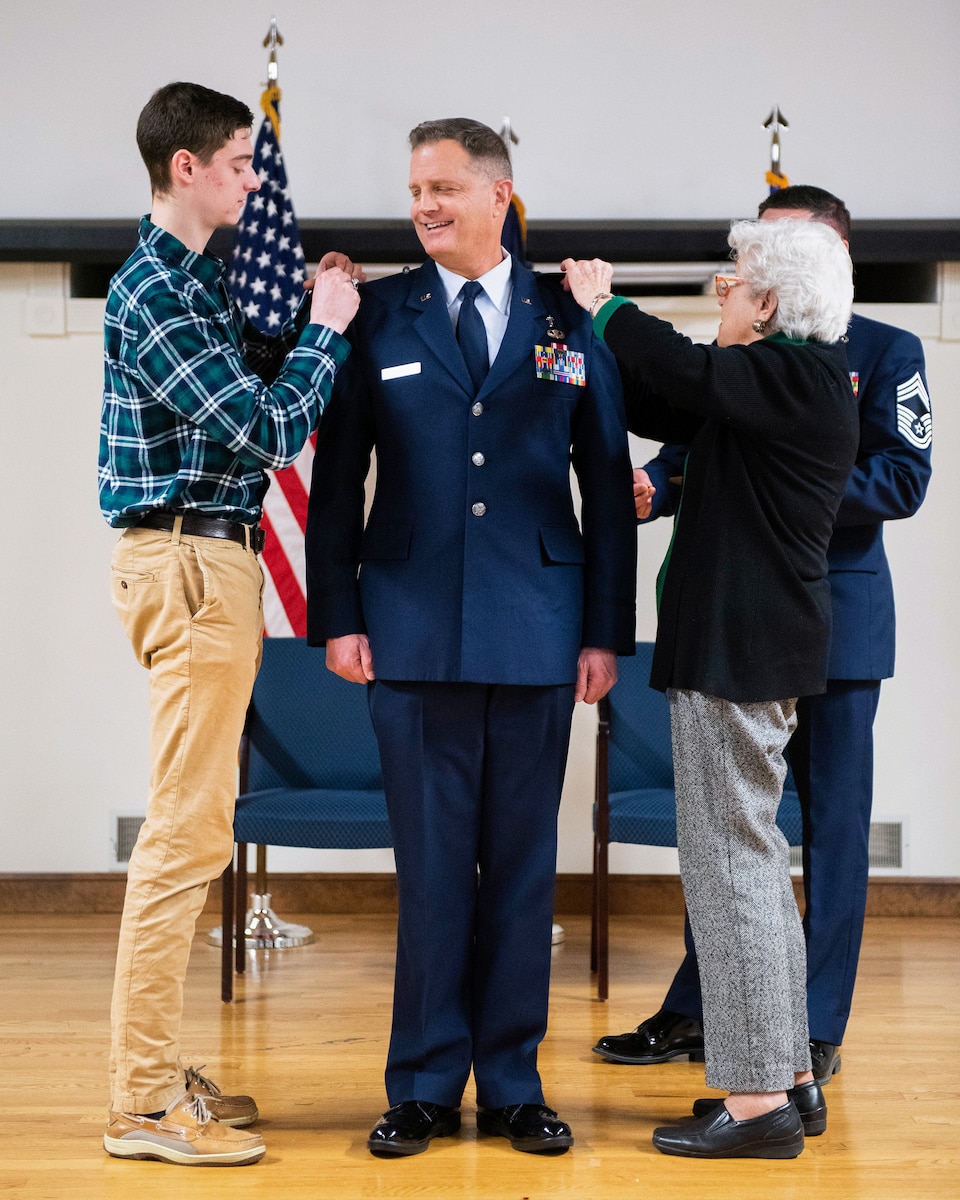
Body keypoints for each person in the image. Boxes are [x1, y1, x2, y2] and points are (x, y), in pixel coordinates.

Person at [305, 118, 637, 1158]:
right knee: (434, 868)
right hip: (405, 630)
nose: (424, 205)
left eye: (444, 186)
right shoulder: (380, 313)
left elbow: (606, 483)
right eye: (415, 188)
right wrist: (340, 614)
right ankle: (419, 1084)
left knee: (524, 868)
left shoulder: (564, 314)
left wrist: (605, 634)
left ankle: (513, 1085)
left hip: (539, 630)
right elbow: (334, 483)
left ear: (501, 195)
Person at [595, 186, 933, 1090]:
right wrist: (661, 490)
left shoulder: (879, 353)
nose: (738, 281)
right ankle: (703, 1008)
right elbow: (702, 429)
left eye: (758, 265)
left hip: (830, 618)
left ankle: (811, 1032)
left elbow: (901, 477)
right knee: (736, 838)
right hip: (746, 606)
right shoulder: (750, 356)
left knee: (817, 833)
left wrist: (790, 501)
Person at [98, 81, 362, 1167]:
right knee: (184, 839)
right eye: (243, 166)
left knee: (192, 830)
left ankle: (155, 1076)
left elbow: (242, 380)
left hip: (211, 561)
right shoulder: (153, 289)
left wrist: (303, 313)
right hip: (192, 563)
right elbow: (263, 429)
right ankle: (144, 1105)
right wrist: (330, 337)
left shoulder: (198, 280)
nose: (255, 183)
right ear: (187, 169)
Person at [563, 216, 859, 1159]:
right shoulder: (779, 385)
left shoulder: (793, 373)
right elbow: (671, 400)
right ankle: (787, 1079)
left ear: (768, 305)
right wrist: (603, 341)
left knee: (729, 868)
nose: (720, 294)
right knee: (754, 866)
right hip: (749, 648)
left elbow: (684, 371)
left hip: (740, 649)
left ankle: (758, 1100)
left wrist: (603, 302)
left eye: (732, 283)